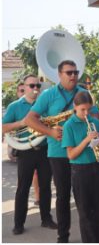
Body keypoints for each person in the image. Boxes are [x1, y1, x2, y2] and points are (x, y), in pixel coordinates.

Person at [25, 60, 89, 243]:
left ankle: (89, 237)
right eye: (68, 73)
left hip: (81, 152)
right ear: (59, 75)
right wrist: (50, 132)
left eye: (75, 72)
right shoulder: (48, 95)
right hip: (58, 153)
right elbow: (30, 119)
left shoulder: (84, 93)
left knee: (83, 197)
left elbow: (94, 116)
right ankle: (63, 237)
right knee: (63, 196)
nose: (73, 76)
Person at [2, 75, 57, 235]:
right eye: (31, 85)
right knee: (23, 188)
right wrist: (22, 123)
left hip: (45, 150)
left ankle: (46, 219)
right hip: (25, 152)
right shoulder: (15, 106)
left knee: (46, 186)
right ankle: (18, 224)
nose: (35, 88)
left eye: (38, 85)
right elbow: (3, 127)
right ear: (24, 87)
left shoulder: (45, 105)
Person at [61, 91, 99, 243]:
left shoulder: (95, 123)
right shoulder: (69, 125)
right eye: (83, 110)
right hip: (80, 171)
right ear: (75, 107)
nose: (86, 113)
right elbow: (71, 154)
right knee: (85, 213)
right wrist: (87, 140)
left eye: (89, 109)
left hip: (97, 168)